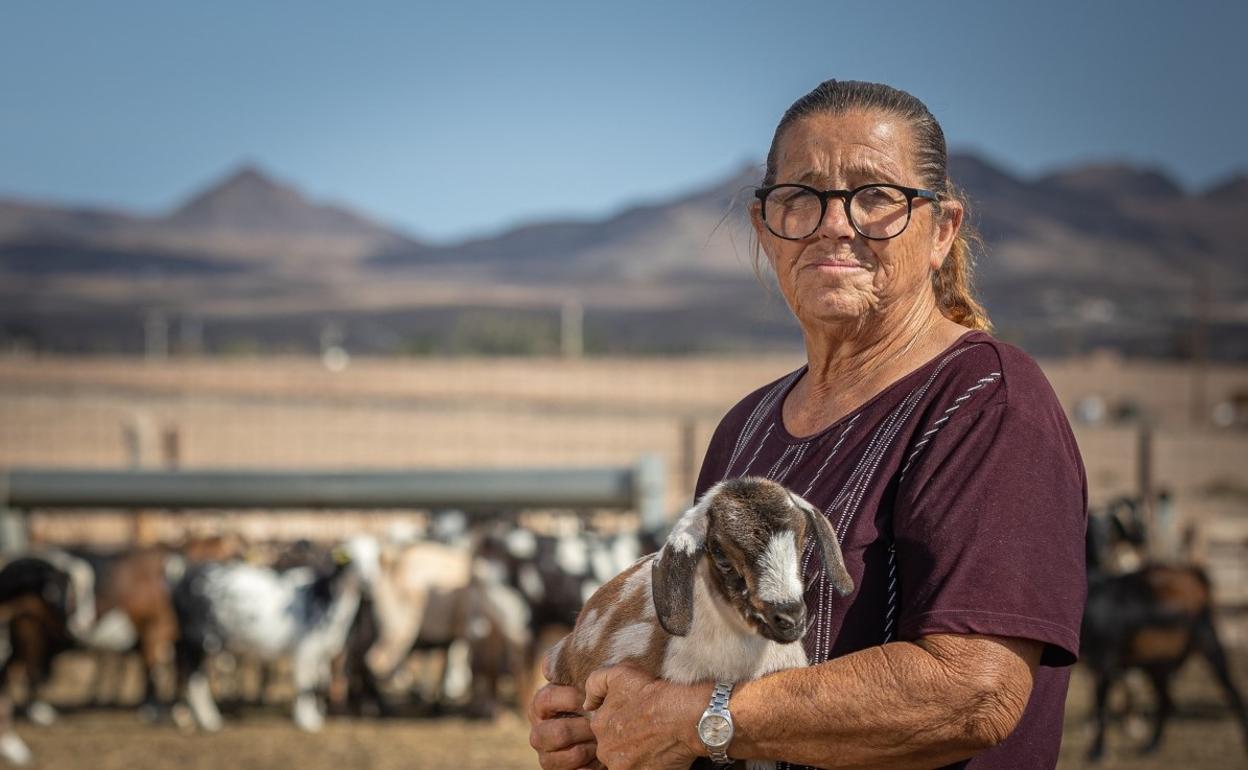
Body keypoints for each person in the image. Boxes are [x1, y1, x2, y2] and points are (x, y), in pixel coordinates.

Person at [528, 79, 1087, 770]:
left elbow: (972, 691)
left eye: (876, 196)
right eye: (802, 197)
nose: (835, 224)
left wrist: (695, 721)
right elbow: (698, 666)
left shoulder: (984, 402)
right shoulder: (746, 430)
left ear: (941, 230)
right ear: (766, 229)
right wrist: (599, 723)